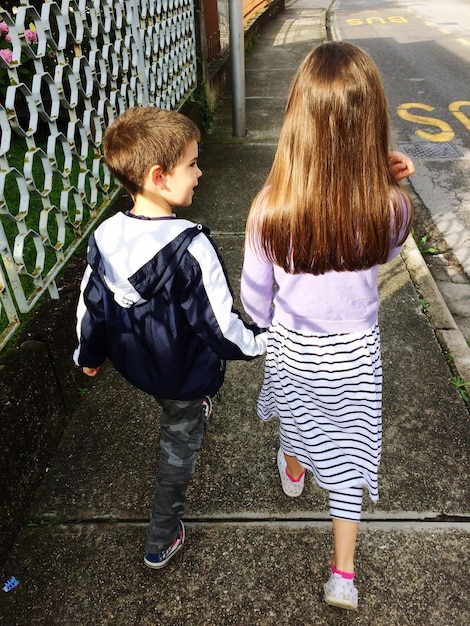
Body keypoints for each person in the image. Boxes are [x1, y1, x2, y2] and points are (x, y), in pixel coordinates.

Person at [240, 42, 414, 611]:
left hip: (293, 344)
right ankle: (343, 574)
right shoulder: (388, 206)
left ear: (297, 119)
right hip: (356, 352)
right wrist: (391, 185)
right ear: (374, 123)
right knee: (348, 454)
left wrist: (268, 324)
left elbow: (254, 295)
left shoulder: (270, 207)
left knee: (295, 413)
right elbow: (390, 247)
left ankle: (292, 466)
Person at [74, 106, 266, 569]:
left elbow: (92, 307)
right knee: (177, 448)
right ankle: (161, 537)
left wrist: (89, 353)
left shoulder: (105, 237)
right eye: (193, 164)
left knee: (171, 408)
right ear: (160, 176)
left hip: (137, 364)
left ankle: (185, 408)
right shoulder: (190, 247)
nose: (201, 172)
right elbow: (220, 328)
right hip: (185, 376)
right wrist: (265, 341)